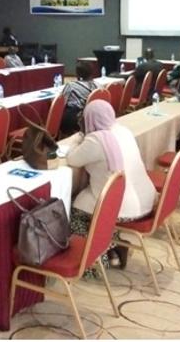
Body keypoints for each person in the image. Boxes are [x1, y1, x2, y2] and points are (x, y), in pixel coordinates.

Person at [66, 100, 157, 273]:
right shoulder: (123, 131)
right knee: (89, 203)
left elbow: (72, 159)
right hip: (146, 199)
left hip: (122, 209)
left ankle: (98, 261)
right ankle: (114, 245)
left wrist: (78, 139)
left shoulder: (95, 140)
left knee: (74, 212)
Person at [59, 61, 99, 135]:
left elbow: (61, 102)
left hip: (77, 118)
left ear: (77, 74)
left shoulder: (71, 86)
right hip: (94, 116)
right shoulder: (98, 86)